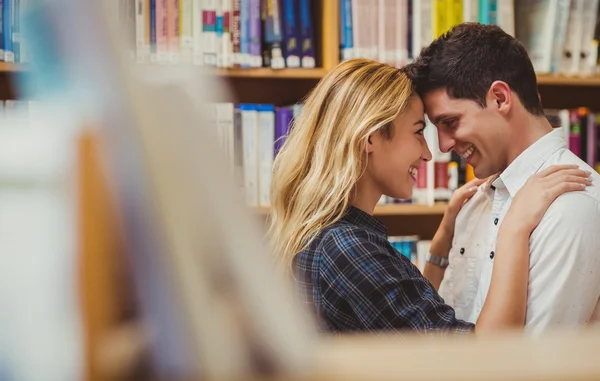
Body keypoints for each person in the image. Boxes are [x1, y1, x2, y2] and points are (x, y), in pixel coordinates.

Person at [267, 57, 592, 334]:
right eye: (419, 131)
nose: (428, 153)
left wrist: (442, 242)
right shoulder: (348, 248)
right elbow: (482, 357)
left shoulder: (333, 235)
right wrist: (514, 226)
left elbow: (405, 319)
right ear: (370, 137)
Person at [407, 22, 600, 334]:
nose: (442, 145)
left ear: (499, 98)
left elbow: (530, 363)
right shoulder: (472, 203)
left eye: (451, 122)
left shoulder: (574, 206)